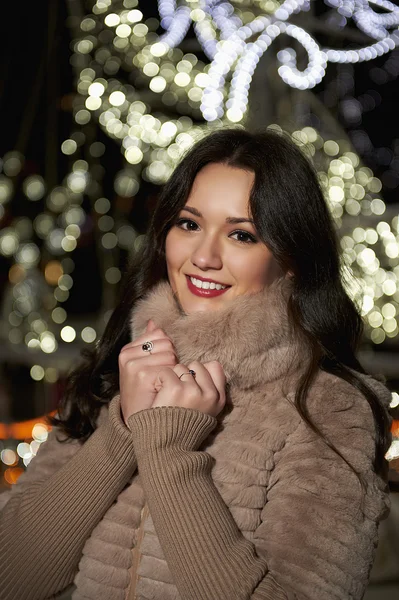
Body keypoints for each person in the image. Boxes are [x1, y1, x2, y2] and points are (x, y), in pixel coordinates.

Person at [0, 128, 392, 600]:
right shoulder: (115, 375)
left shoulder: (329, 408)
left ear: (290, 259)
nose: (203, 257)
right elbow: (12, 580)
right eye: (189, 224)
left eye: (241, 234)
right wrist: (123, 428)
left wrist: (169, 450)